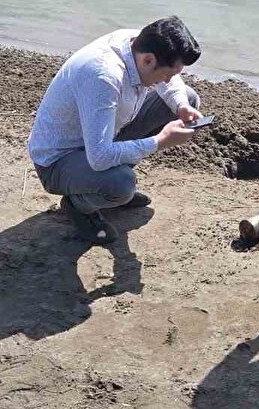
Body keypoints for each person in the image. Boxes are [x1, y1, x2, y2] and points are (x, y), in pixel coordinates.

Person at [27, 16, 203, 244]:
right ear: (149, 61)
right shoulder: (103, 75)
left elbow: (172, 83)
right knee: (121, 184)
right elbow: (99, 157)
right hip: (58, 162)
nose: (169, 79)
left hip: (102, 137)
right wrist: (160, 141)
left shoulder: (139, 43)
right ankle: (80, 204)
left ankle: (103, 189)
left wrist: (181, 105)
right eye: (168, 73)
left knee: (187, 97)